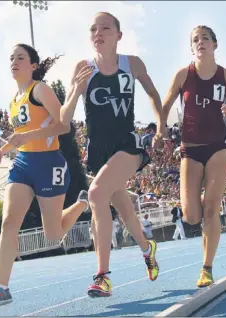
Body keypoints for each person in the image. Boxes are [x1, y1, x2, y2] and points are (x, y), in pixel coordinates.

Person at [61, 12, 171, 298]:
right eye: (93, 29)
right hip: (98, 150)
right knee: (123, 207)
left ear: (118, 35)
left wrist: (161, 125)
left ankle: (103, 276)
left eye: (106, 28)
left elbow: (153, 93)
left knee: (96, 194)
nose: (98, 33)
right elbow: (65, 117)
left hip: (127, 143)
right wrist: (75, 90)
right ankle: (148, 249)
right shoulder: (83, 67)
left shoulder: (131, 63)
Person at [0, 43, 89, 310]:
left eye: (20, 58)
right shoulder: (13, 101)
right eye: (11, 58)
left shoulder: (39, 89)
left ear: (33, 65)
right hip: (24, 163)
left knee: (53, 234)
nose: (14, 62)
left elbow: (63, 125)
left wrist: (26, 137)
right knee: (8, 222)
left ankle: (82, 204)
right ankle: (1, 288)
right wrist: (3, 151)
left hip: (49, 164)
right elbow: (20, 136)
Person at [161, 25, 226, 287]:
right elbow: (165, 105)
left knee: (211, 209)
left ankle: (207, 268)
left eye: (205, 39)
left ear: (215, 44)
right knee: (191, 216)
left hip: (218, 147)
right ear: (192, 48)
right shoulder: (182, 75)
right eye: (195, 40)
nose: (200, 42)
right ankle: (202, 197)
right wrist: (161, 129)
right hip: (190, 149)